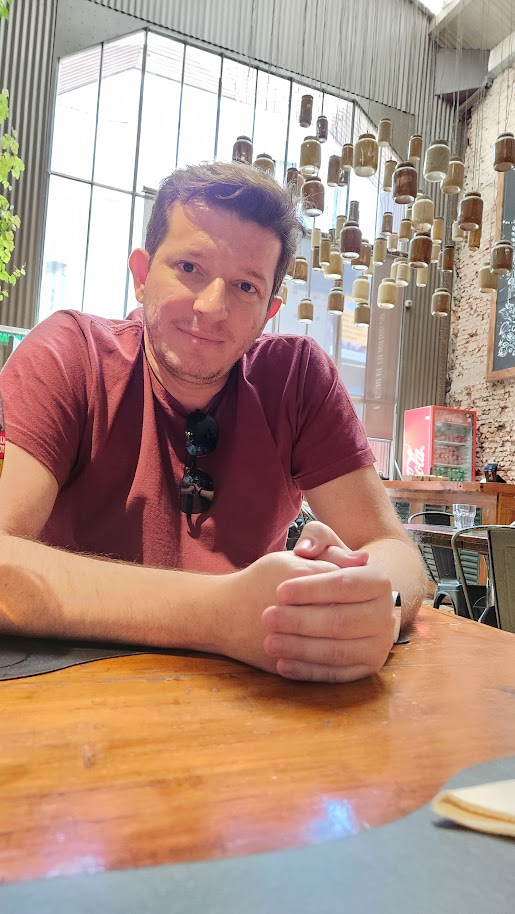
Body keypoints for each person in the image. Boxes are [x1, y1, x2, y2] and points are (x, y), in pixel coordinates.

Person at [0, 161, 424, 682]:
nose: (212, 306)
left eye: (245, 286)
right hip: (71, 689)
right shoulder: (71, 355)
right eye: (189, 267)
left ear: (269, 311)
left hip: (252, 700)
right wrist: (219, 615)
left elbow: (393, 550)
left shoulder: (295, 379)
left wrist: (367, 603)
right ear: (141, 275)